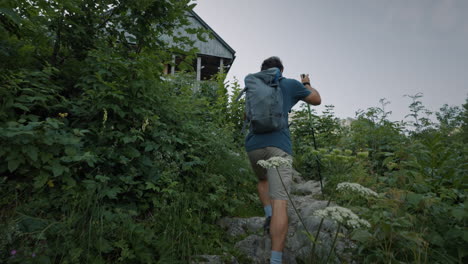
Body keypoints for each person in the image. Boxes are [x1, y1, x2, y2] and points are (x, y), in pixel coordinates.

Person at [245, 56, 321, 264]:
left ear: (263, 70)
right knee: (281, 202)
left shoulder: (254, 86)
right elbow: (316, 100)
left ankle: (268, 215)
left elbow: (249, 116)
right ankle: (276, 260)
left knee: (262, 181)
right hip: (279, 146)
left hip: (253, 146)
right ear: (281, 70)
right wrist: (306, 83)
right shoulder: (289, 84)